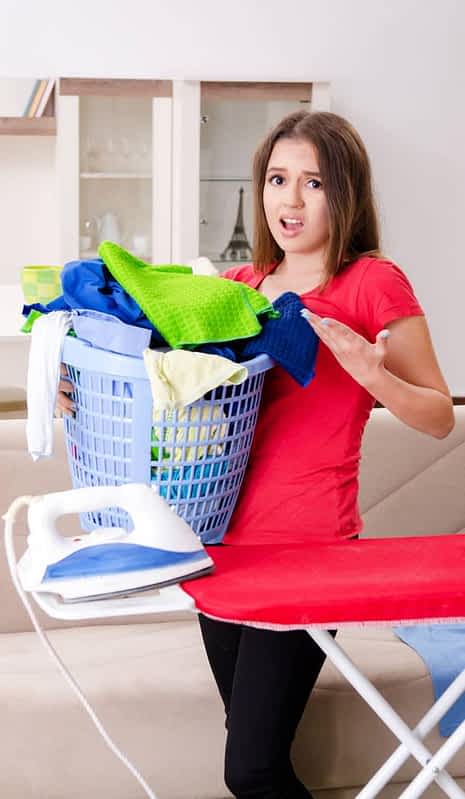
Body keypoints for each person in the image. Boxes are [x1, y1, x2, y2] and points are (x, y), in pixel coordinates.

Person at [57, 110, 454, 799]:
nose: (289, 201)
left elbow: (438, 416)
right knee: (252, 749)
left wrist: (372, 374)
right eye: (276, 179)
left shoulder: (370, 282)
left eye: (313, 183)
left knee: (249, 770)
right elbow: (170, 391)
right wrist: (79, 393)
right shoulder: (236, 287)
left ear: (346, 193)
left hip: (310, 549)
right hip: (218, 547)